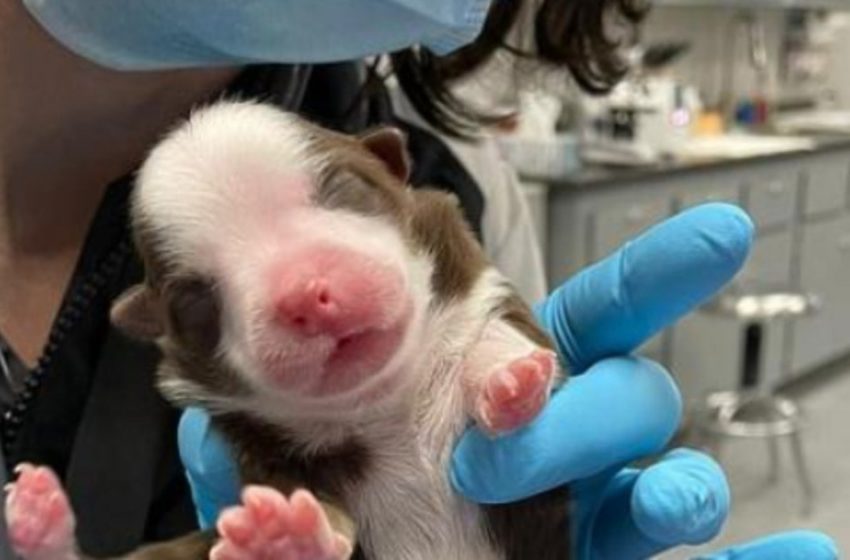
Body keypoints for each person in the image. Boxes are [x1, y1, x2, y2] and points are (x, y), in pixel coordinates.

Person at [0, 1, 836, 558]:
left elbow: (505, 384)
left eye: (340, 200)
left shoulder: (461, 187)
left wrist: (503, 383)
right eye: (203, 299)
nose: (305, 293)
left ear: (389, 174)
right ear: (160, 323)